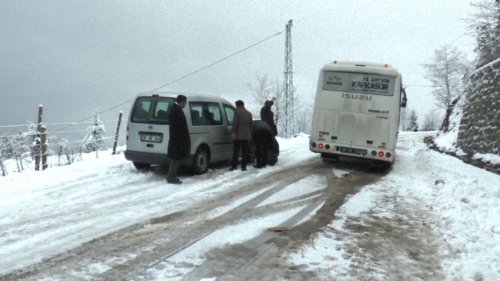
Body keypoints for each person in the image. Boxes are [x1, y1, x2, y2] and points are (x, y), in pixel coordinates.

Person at [167, 95, 190, 184]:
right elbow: (177, 128)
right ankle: (171, 177)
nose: (186, 104)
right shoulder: (176, 110)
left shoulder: (176, 109)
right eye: (185, 102)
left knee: (176, 159)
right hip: (177, 140)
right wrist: (181, 139)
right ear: (182, 102)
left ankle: (172, 176)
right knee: (175, 159)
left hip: (177, 139)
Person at [230, 100, 252, 171]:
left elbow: (235, 123)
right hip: (246, 136)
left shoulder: (237, 113)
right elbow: (251, 125)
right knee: (244, 152)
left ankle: (234, 166)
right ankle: (243, 167)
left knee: (236, 152)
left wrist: (233, 133)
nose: (236, 107)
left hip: (238, 136)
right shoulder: (249, 113)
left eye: (236, 106)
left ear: (238, 105)